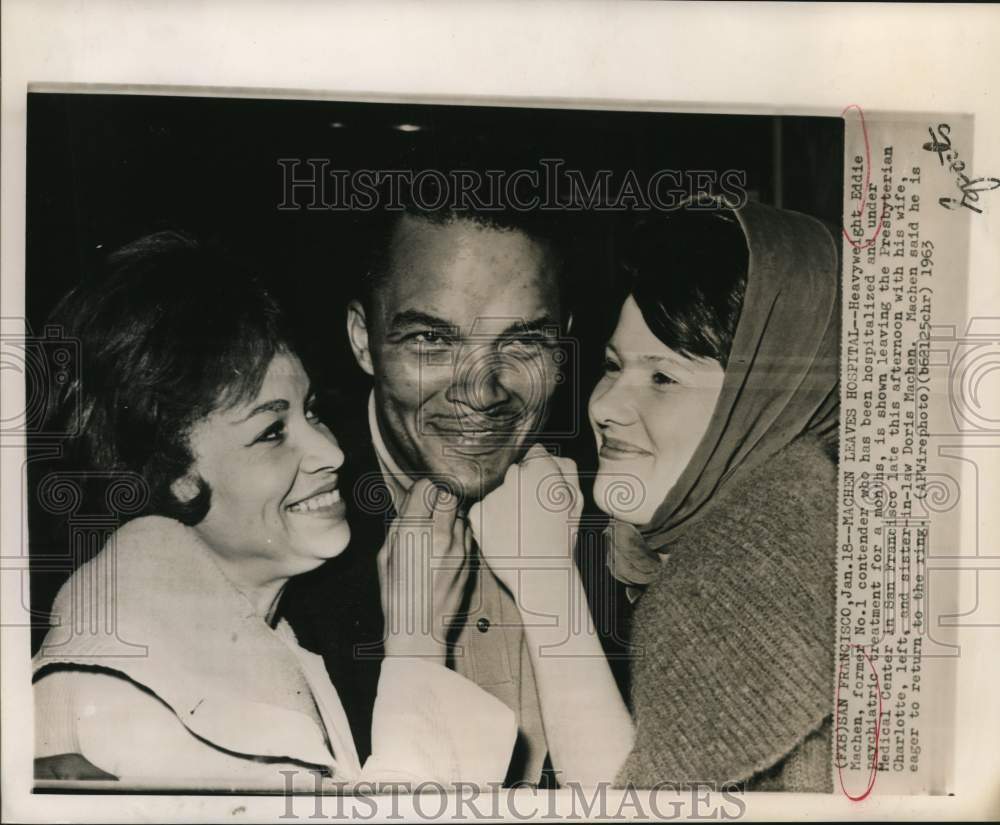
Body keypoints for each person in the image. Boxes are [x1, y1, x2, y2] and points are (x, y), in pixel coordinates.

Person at [31, 231, 516, 787]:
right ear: (170, 476)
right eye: (271, 432)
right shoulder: (120, 698)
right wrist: (416, 641)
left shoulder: (257, 641)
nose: (332, 453)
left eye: (311, 411)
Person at [473, 199, 840, 791]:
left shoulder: (753, 576)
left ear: (771, 402)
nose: (605, 406)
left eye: (663, 377)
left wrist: (545, 585)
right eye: (612, 365)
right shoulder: (791, 532)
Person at [279, 204, 580, 785]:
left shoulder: (622, 502)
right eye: (433, 340)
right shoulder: (274, 528)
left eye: (523, 344)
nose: (483, 392)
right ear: (363, 339)